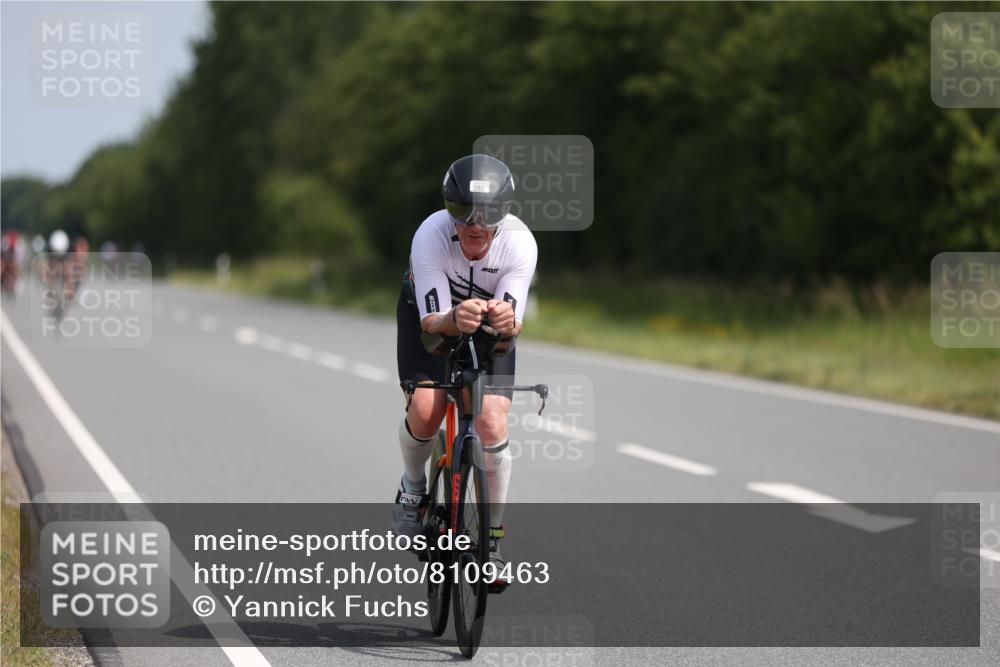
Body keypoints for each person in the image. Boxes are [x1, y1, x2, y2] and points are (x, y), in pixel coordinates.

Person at [394, 154, 538, 586]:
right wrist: (456, 316)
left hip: (486, 326)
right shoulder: (430, 236)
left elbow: (510, 328)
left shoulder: (520, 243)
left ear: (504, 214)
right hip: (434, 317)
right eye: (462, 211)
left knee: (492, 422)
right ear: (447, 209)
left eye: (488, 213)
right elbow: (433, 326)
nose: (475, 224)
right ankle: (413, 487)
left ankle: (491, 542)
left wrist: (506, 322)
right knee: (425, 409)